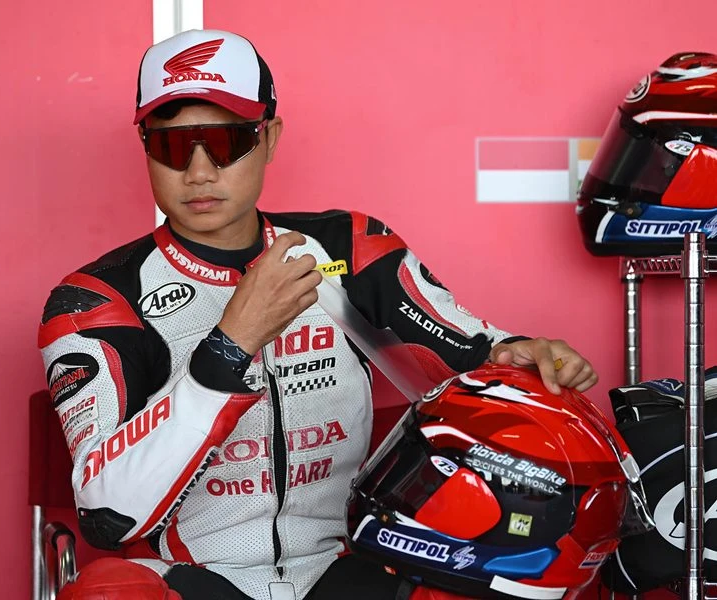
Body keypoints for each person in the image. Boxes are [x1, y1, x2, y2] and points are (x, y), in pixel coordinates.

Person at [38, 29, 598, 600]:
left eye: (226, 142)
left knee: (501, 570)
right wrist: (232, 342)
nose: (199, 172)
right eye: (173, 146)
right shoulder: (96, 299)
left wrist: (520, 358)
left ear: (269, 138)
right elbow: (106, 517)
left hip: (347, 566)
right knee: (107, 593)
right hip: (196, 577)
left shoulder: (348, 250)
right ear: (145, 149)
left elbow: (471, 358)